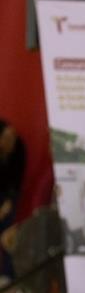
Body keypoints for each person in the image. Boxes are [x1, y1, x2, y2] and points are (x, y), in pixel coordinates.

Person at [0, 119, 26, 277]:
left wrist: (7, 204)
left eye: (12, 140)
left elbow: (16, 182)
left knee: (7, 235)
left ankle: (8, 277)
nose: (10, 144)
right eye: (6, 140)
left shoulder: (19, 149)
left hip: (8, 194)